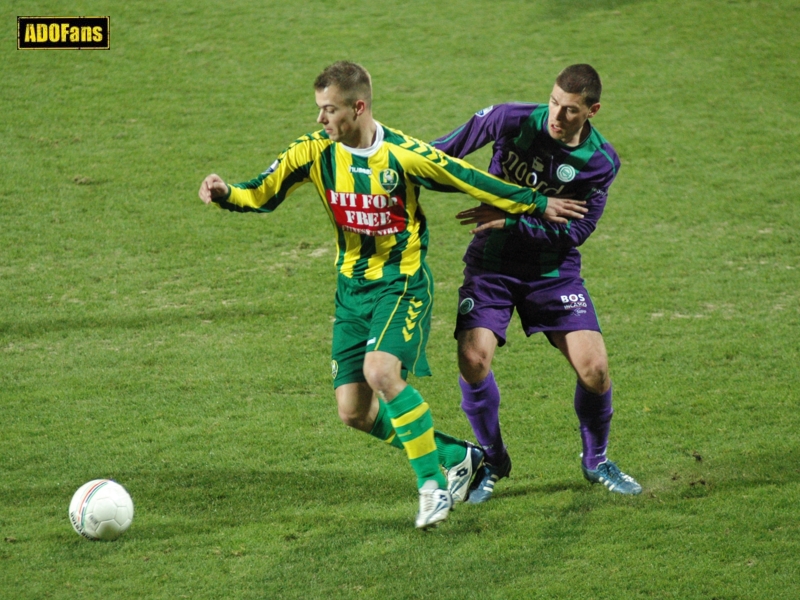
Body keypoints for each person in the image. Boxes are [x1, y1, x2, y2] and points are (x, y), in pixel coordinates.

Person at [198, 61, 587, 528]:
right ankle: (458, 455)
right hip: (351, 292)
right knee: (354, 412)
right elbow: (262, 192)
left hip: (401, 286)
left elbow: (471, 178)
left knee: (380, 372)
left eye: (329, 110)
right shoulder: (313, 152)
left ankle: (431, 487)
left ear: (357, 107)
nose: (321, 120)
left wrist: (540, 203)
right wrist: (225, 192)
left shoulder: (404, 155)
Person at [431, 64, 642, 503]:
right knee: (473, 359)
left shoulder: (600, 163)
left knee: (595, 369)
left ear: (592, 111)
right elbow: (443, 153)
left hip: (553, 273)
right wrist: (385, 162)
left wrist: (508, 218)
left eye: (569, 110)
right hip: (492, 266)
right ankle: (492, 459)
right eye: (553, 103)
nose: (556, 116)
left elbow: (573, 233)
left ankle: (596, 460)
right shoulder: (509, 118)